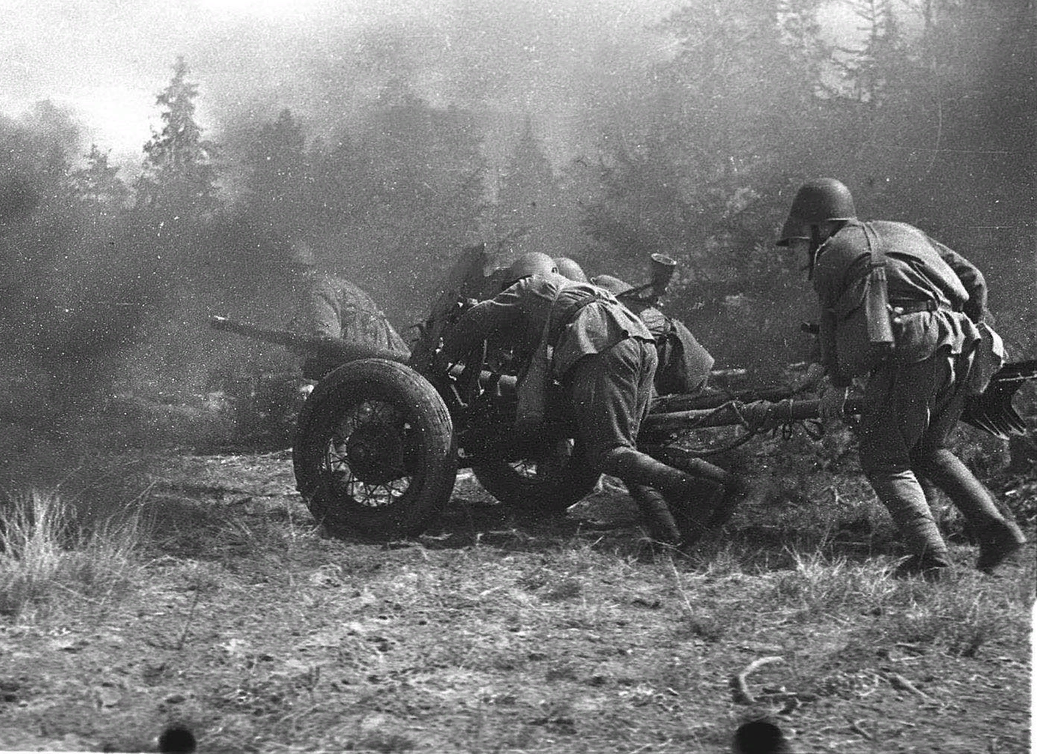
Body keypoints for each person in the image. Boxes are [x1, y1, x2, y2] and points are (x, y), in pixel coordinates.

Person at [777, 178, 1025, 576]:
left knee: (882, 456)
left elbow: (830, 326)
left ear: (819, 228)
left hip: (914, 343)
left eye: (799, 240)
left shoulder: (831, 256)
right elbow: (974, 277)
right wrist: (970, 327)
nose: (796, 251)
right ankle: (997, 531)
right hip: (962, 339)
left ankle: (932, 560)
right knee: (929, 448)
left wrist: (836, 383)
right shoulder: (903, 231)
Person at [439, 252, 723, 545]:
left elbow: (480, 317)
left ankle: (693, 490)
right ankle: (671, 535)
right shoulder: (576, 293)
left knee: (607, 452)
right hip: (640, 345)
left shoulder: (531, 286)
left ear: (520, 278)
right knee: (631, 449)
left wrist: (443, 354)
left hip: (603, 344)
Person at [285, 241, 410, 378]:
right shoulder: (337, 284)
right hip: (388, 364)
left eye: (292, 272)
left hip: (370, 368)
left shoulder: (317, 290)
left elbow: (326, 341)